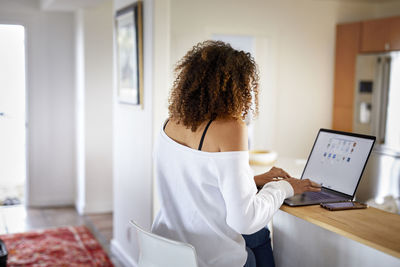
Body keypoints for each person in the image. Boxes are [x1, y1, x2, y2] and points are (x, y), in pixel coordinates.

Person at [151, 40, 321, 267]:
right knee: (257, 231)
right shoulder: (231, 127)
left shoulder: (171, 122)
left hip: (168, 250)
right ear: (235, 87)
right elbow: (244, 220)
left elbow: (195, 183)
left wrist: (253, 182)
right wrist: (283, 187)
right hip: (206, 259)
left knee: (258, 236)